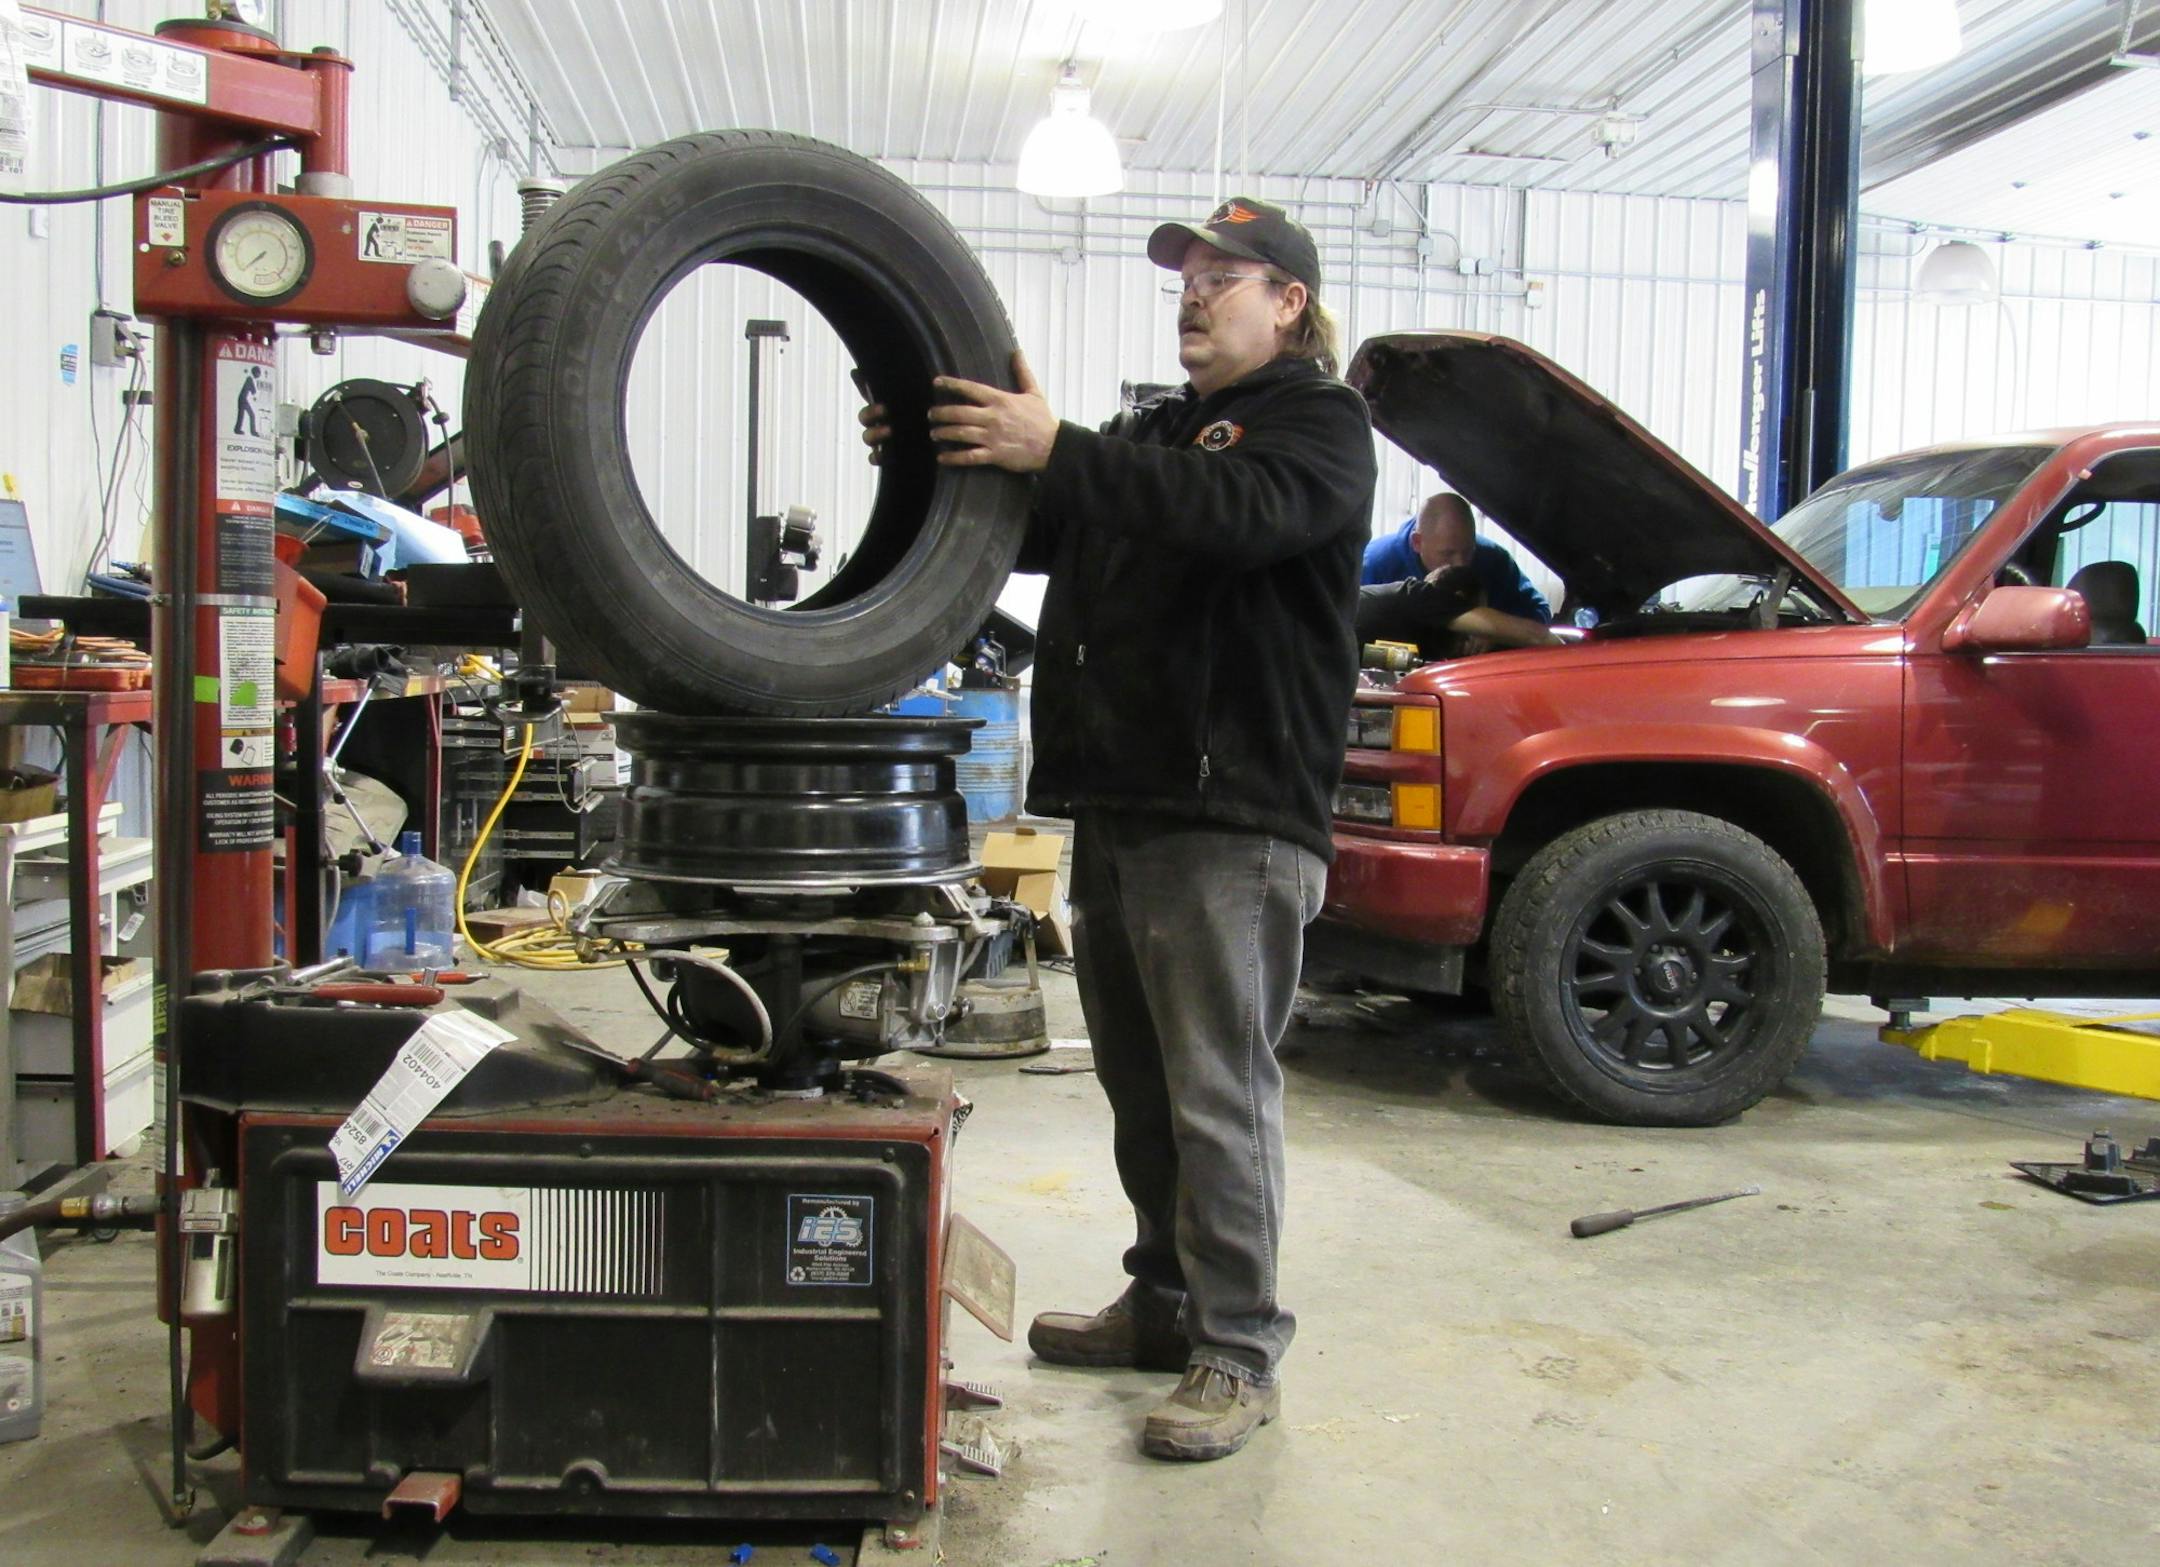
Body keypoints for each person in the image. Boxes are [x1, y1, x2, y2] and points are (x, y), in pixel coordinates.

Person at [863, 195, 1375, 1462]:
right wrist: (938, 450)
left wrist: (1064, 444)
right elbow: (1054, 522)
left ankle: (1239, 1346)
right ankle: (1164, 1302)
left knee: (1216, 1092)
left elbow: (1231, 513)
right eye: (1183, 280)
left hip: (1234, 813)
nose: (1194, 296)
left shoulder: (1321, 427)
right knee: (1143, 1091)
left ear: (1289, 302)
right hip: (1130, 801)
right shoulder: (1161, 434)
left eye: (1223, 277)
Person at [1362, 492, 1551, 622]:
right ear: (1417, 542)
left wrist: (1494, 630)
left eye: (1468, 551)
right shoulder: (1375, 564)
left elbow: (1538, 612)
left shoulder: (1494, 560)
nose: (1461, 563)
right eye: (1447, 554)